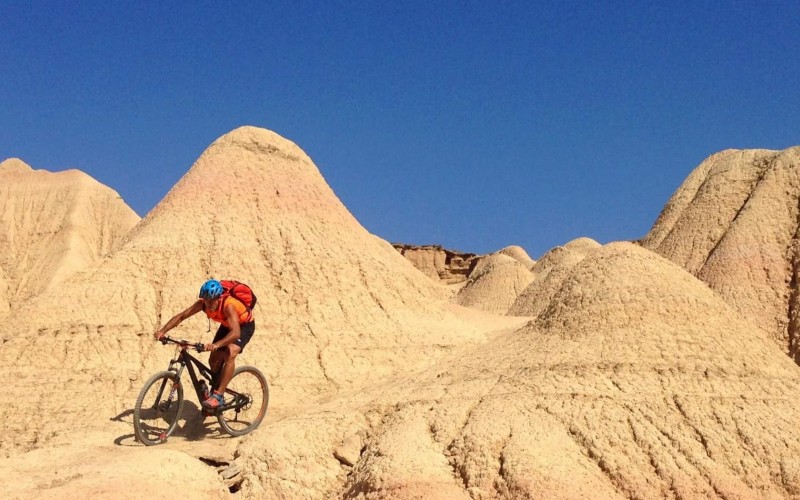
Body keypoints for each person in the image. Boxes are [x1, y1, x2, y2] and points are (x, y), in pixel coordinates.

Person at [154, 279, 255, 411]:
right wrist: (163, 331)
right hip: (227, 325)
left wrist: (217, 344)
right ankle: (213, 391)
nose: (209, 303)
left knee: (230, 352)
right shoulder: (203, 304)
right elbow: (181, 316)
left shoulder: (228, 305)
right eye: (206, 299)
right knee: (213, 360)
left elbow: (235, 333)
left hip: (243, 326)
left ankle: (218, 396)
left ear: (219, 297)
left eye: (212, 300)